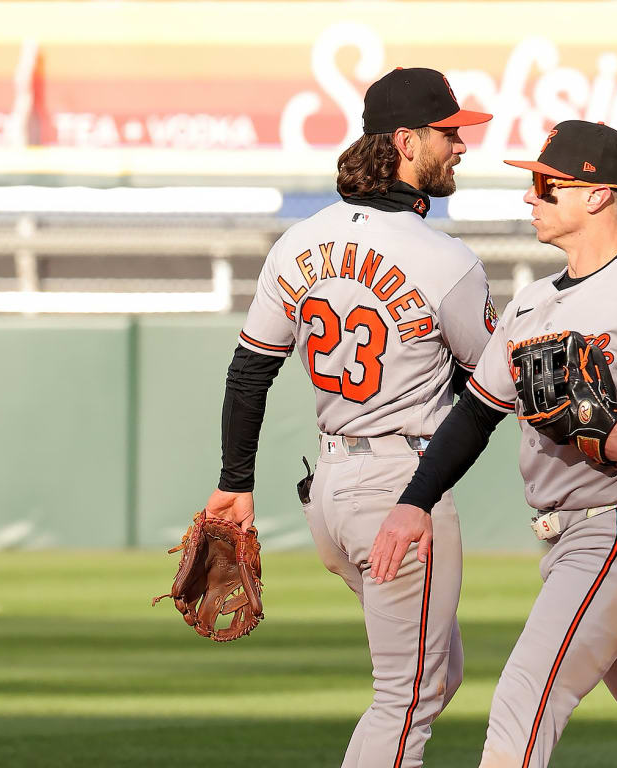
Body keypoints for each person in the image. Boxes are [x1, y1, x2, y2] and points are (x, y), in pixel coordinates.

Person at [373, 120, 617, 767]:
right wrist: (415, 500)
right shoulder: (533, 303)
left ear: (597, 195)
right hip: (577, 535)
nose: (530, 196)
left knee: (524, 701)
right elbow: (474, 415)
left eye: (545, 184)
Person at [199, 67, 496, 768]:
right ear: (405, 140)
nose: (461, 145)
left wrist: (234, 483)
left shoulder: (298, 242)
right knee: (408, 695)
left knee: (435, 675)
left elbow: (251, 370)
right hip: (401, 488)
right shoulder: (446, 258)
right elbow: (494, 382)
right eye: (449, 133)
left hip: (330, 493)